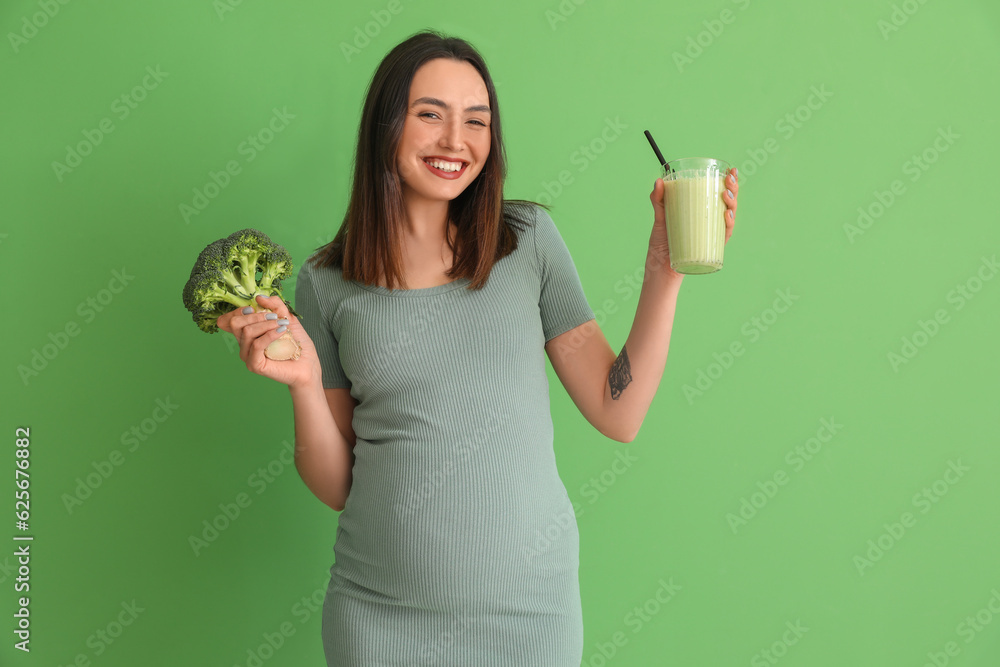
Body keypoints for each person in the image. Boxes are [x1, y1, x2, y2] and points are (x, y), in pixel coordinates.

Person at [219, 29, 738, 667]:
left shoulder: (527, 243)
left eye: (476, 121)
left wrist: (667, 264)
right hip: (379, 620)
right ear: (386, 126)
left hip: (529, 619)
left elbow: (618, 411)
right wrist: (303, 385)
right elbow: (336, 484)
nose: (455, 141)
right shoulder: (327, 283)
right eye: (429, 115)